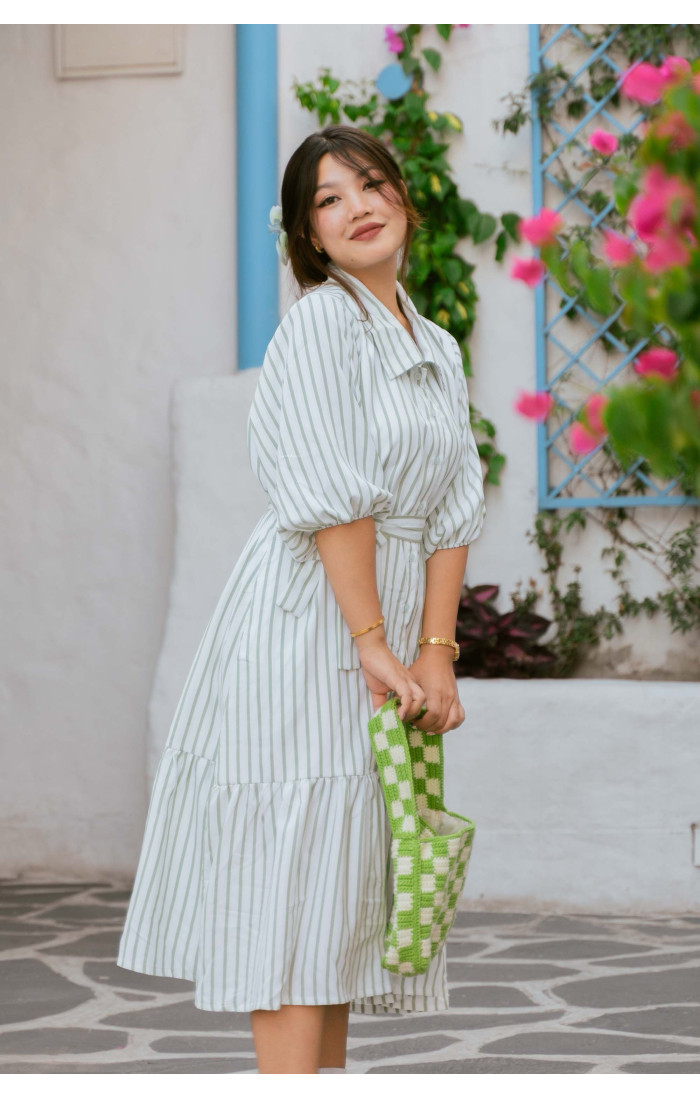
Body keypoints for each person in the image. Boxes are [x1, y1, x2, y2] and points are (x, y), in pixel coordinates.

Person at [116, 124, 485, 1074]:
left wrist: (436, 649)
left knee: (343, 880)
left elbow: (452, 511)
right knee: (295, 879)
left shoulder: (435, 343)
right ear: (308, 236)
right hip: (309, 619)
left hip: (386, 623)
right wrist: (371, 636)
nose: (357, 206)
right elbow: (332, 491)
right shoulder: (320, 323)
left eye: (370, 185)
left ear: (403, 199)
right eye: (329, 199)